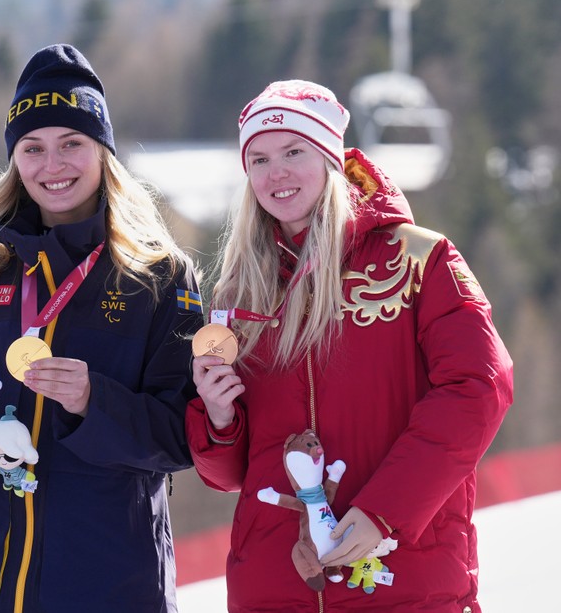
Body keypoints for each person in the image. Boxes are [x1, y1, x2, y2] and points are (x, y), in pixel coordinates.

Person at [185, 80, 513, 612]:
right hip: (274, 587)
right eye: (260, 159)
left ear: (331, 160)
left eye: (295, 152)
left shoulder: (419, 262)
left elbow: (480, 387)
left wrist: (384, 510)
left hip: (400, 576)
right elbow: (229, 476)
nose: (277, 173)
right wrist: (219, 417)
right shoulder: (239, 293)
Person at [0, 44, 204, 612]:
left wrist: (97, 401)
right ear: (14, 160)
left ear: (103, 152)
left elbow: (182, 436)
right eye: (33, 148)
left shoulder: (158, 277)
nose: (53, 165)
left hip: (108, 590)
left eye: (72, 144)